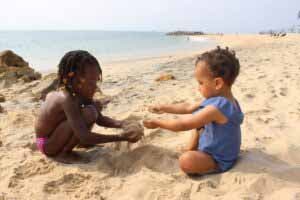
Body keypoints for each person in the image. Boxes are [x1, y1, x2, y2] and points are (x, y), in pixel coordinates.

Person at [143, 46, 244, 174]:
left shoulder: (218, 107)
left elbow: (183, 124)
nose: (198, 88)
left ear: (217, 83)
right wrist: (163, 107)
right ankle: (193, 149)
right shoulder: (226, 100)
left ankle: (211, 166)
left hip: (219, 158)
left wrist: (158, 123)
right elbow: (188, 107)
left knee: (186, 161)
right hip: (217, 146)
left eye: (201, 83)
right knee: (198, 119)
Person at [34, 50, 141, 163]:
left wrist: (124, 124)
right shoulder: (66, 99)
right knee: (87, 114)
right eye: (91, 83)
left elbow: (100, 119)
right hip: (47, 144)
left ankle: (82, 144)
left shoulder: (77, 93)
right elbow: (84, 135)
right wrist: (122, 137)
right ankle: (63, 153)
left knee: (93, 107)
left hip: (58, 137)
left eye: (96, 81)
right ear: (73, 80)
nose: (95, 87)